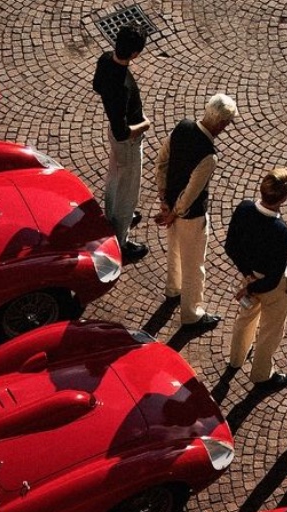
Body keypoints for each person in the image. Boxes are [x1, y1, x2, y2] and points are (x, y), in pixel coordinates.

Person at [154, 93, 238, 328]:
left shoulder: (182, 127)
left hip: (170, 204)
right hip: (190, 217)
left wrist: (164, 200)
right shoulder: (209, 155)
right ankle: (191, 314)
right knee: (194, 266)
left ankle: (173, 290)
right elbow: (191, 192)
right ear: (221, 124)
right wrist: (174, 212)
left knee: (174, 251)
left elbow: (162, 161)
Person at [224, 166, 287, 388]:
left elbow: (230, 246)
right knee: (270, 331)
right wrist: (252, 288)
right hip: (271, 287)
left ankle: (236, 359)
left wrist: (247, 277)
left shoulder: (244, 208)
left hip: (250, 276)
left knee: (245, 319)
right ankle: (262, 374)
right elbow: (274, 277)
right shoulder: (280, 231)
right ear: (283, 198)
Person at [92, 24, 152, 263]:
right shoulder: (122, 87)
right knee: (128, 188)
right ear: (135, 54)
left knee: (115, 176)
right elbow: (122, 132)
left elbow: (97, 85)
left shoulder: (106, 60)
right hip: (128, 143)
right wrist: (144, 126)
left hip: (117, 141)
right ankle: (121, 240)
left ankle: (113, 216)